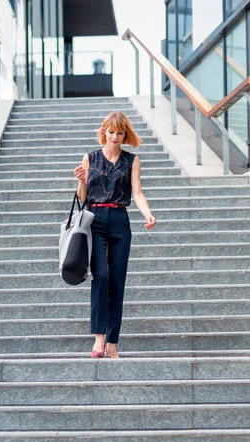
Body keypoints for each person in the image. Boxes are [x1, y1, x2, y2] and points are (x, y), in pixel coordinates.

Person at [74, 111, 156, 359]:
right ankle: (99, 340)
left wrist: (147, 214)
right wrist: (80, 181)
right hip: (95, 219)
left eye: (120, 133)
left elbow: (138, 193)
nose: (115, 136)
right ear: (104, 132)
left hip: (120, 220)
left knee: (118, 281)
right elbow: (82, 198)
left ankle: (112, 342)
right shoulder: (90, 158)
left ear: (124, 134)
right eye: (111, 132)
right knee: (100, 276)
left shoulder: (132, 160)